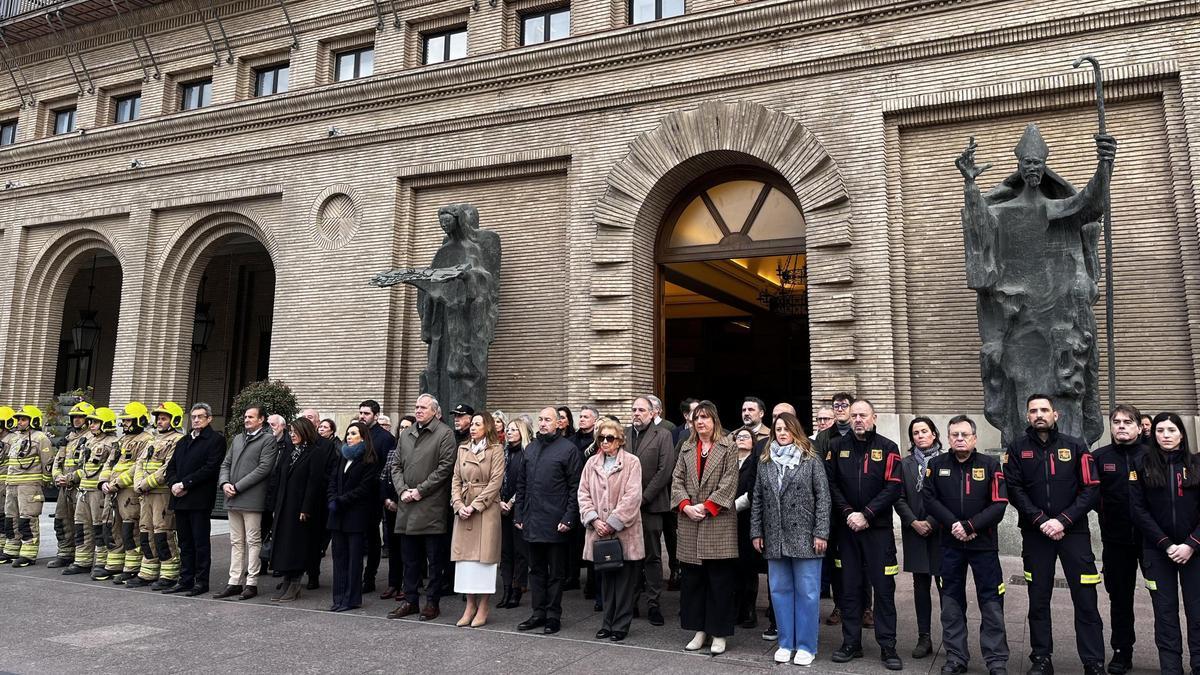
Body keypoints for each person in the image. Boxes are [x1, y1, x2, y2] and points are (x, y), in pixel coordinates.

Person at [1003, 394, 1104, 675]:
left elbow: (1091, 487)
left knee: (1086, 600)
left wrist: (1063, 520)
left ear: (1055, 414)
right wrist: (1040, 520)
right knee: (1038, 599)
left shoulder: (1075, 447)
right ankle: (1041, 659)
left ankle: (1093, 661)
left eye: (1044, 410)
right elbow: (1014, 489)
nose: (1039, 414)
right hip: (1036, 535)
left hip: (1074, 533)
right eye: (1033, 410)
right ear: (1027, 416)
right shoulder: (1016, 449)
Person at [921, 415, 1010, 675]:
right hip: (949, 544)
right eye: (954, 435)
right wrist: (955, 526)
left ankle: (996, 661)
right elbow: (929, 499)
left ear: (974, 438)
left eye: (964, 435)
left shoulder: (991, 465)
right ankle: (956, 658)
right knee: (950, 603)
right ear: (947, 438)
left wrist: (970, 526)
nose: (959, 439)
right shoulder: (936, 465)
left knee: (991, 603)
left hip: (983, 545)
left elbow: (999, 504)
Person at [826, 400, 903, 670]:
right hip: (847, 531)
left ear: (874, 417)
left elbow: (893, 487)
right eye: (854, 415)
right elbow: (831, 483)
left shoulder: (888, 447)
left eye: (863, 415)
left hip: (877, 531)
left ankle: (888, 646)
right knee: (849, 590)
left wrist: (867, 514)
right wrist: (849, 513)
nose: (858, 419)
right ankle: (851, 643)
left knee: (883, 590)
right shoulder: (836, 447)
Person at [751, 412, 830, 666]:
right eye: (778, 429)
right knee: (779, 591)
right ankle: (786, 642)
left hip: (806, 536)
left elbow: (823, 498)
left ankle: (806, 646)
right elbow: (758, 500)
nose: (782, 433)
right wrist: (756, 531)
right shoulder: (765, 461)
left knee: (807, 592)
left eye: (786, 429)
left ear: (796, 430)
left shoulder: (810, 459)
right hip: (775, 535)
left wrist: (821, 532)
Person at [1129, 412, 1200, 675]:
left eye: (1171, 430)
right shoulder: (1142, 464)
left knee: (1198, 612)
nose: (1165, 435)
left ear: (1182, 433)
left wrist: (1191, 544)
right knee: (1165, 614)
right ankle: (1171, 669)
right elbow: (1138, 510)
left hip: (1195, 551)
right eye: (1160, 431)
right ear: (1153, 434)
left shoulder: (1196, 464)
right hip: (1158, 552)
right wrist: (1167, 544)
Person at [670, 400, 739, 655]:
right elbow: (676, 479)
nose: (700, 422)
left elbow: (730, 481)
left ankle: (719, 633)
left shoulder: (728, 446)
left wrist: (708, 507)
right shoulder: (687, 447)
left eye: (705, 418)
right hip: (689, 522)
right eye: (697, 418)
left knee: (719, 582)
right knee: (693, 582)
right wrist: (686, 506)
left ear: (715, 421)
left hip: (717, 522)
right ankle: (699, 630)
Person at [386, 393, 456, 621]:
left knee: (434, 561)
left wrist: (420, 490)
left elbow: (445, 467)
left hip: (430, 507)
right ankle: (411, 601)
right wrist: (402, 490)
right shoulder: (406, 434)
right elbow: (395, 465)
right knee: (410, 560)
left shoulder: (444, 434)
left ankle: (432, 603)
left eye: (423, 407)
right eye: (416, 407)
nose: (418, 410)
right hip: (407, 506)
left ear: (435, 411)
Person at [514, 407, 582, 635]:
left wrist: (569, 518)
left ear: (558, 423)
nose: (542, 423)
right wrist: (519, 515)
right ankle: (538, 613)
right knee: (536, 571)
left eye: (547, 420)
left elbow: (576, 488)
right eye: (540, 420)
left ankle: (553, 616)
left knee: (556, 574)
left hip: (556, 522)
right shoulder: (531, 449)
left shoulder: (568, 450)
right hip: (532, 521)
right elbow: (521, 485)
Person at [1091, 404, 1147, 674]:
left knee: (1165, 600)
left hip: (1152, 543)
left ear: (1139, 426)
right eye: (1116, 421)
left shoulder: (1153, 456)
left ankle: (1172, 654)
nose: (1122, 426)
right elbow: (1089, 494)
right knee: (1120, 599)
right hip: (1115, 542)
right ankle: (1122, 652)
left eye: (1128, 421)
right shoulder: (1099, 457)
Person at [579, 418, 644, 642]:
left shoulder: (632, 463)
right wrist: (594, 520)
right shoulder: (591, 464)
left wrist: (613, 522)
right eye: (601, 438)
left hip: (624, 532)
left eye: (609, 438)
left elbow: (632, 497)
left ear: (619, 440)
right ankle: (606, 623)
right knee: (606, 582)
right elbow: (583, 494)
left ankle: (621, 625)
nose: (605, 442)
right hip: (598, 532)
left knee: (624, 582)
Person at [815, 391, 872, 628]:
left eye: (844, 405)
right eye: (835, 406)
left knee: (865, 561)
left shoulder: (865, 434)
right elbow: (820, 474)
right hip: (835, 511)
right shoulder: (824, 437)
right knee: (838, 562)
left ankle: (866, 608)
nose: (839, 409)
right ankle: (840, 605)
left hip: (862, 509)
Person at [215, 405, 279, 601]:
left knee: (253, 541)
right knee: (236, 542)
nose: (246, 420)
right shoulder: (238, 438)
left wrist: (238, 486)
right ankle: (234, 581)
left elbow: (264, 468)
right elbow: (226, 463)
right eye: (245, 417)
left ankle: (251, 582)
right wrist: (225, 483)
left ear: (262, 420)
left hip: (251, 499)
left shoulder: (268, 440)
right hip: (233, 498)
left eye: (251, 417)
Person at [164, 403, 226, 596]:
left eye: (200, 416)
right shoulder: (183, 441)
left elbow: (210, 468)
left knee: (200, 542)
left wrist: (185, 484)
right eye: (193, 417)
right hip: (180, 499)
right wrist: (174, 484)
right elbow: (171, 467)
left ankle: (201, 582)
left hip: (198, 499)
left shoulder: (216, 440)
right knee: (184, 542)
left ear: (209, 419)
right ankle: (185, 579)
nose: (196, 420)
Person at [450, 413, 506, 627]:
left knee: (484, 559)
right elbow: (455, 478)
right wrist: (458, 505)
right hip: (464, 507)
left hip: (485, 510)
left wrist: (475, 505)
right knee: (465, 561)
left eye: (477, 424)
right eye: (471, 424)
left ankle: (483, 605)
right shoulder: (462, 449)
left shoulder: (496, 450)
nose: (472, 427)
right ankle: (469, 604)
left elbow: (495, 482)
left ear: (487, 427)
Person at [895, 416, 944, 659]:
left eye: (925, 431)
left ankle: (953, 635)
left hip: (941, 532)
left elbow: (948, 498)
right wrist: (914, 522)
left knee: (946, 587)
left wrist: (932, 522)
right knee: (920, 586)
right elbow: (898, 497)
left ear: (934, 434)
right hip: (914, 531)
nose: (920, 436)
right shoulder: (904, 465)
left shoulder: (946, 462)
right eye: (916, 433)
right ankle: (924, 637)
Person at [627, 396, 676, 627]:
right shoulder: (624, 434)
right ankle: (631, 601)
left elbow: (664, 471)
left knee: (652, 557)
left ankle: (653, 603)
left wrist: (642, 498)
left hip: (652, 506)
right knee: (630, 557)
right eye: (634, 409)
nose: (637, 413)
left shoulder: (663, 435)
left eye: (641, 410)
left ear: (652, 413)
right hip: (625, 509)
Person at [269, 418, 326, 602]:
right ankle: (286, 581)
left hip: (300, 508)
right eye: (290, 431)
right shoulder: (290, 451)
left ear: (305, 432)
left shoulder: (315, 453)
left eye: (295, 431)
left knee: (296, 546)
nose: (292, 435)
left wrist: (306, 507)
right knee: (284, 545)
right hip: (284, 506)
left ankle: (295, 583)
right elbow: (280, 476)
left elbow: (313, 482)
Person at [130, 402, 185, 590]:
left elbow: (167, 468)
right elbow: (139, 463)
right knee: (146, 532)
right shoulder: (153, 439)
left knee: (163, 532)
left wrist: (145, 484)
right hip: (145, 494)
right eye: (158, 418)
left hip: (161, 494)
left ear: (174, 420)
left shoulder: (178, 440)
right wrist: (138, 484)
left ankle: (169, 573)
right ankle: (148, 571)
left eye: (164, 418)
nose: (159, 422)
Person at [327, 421, 380, 612]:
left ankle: (351, 599)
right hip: (337, 516)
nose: (349, 437)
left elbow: (364, 489)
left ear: (363, 437)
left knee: (354, 560)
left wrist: (341, 501)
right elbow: (333, 480)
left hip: (355, 516)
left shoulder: (369, 460)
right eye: (348, 433)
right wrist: (332, 498)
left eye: (354, 433)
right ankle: (338, 598)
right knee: (339, 558)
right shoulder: (342, 457)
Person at [105, 402, 152, 585]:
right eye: (123, 420)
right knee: (112, 527)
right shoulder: (122, 440)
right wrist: (104, 481)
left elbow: (136, 468)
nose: (124, 423)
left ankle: (132, 568)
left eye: (128, 420)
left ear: (139, 420)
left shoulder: (146, 440)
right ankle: (118, 563)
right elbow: (110, 463)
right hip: (114, 490)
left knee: (130, 529)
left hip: (129, 491)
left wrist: (116, 483)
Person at [74, 407, 120, 578]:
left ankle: (101, 562)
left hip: (98, 492)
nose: (91, 425)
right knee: (81, 526)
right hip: (84, 490)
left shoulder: (113, 442)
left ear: (105, 423)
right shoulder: (88, 441)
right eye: (91, 422)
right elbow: (83, 467)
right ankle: (82, 561)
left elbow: (111, 467)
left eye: (95, 422)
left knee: (100, 527)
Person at [48, 401, 93, 569]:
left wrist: (70, 478)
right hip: (64, 488)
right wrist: (57, 476)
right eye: (74, 417)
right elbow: (57, 461)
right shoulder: (68, 438)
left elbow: (90, 467)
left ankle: (82, 559)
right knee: (61, 521)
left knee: (81, 524)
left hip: (80, 488)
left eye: (81, 417)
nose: (77, 420)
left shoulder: (91, 438)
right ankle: (65, 554)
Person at [358, 399, 396, 596]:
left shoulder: (385, 438)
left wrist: (383, 495)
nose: (362, 417)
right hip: (356, 495)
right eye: (361, 413)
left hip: (373, 494)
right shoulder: (356, 434)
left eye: (366, 413)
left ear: (375, 415)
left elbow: (387, 469)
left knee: (372, 538)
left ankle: (369, 577)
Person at [731, 427, 764, 629]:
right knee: (732, 568)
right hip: (727, 522)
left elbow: (753, 492)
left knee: (748, 567)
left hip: (746, 520)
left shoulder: (755, 462)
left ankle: (749, 611)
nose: (741, 439)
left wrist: (731, 507)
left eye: (746, 437)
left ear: (753, 442)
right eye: (738, 437)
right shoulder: (729, 462)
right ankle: (735, 610)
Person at [498, 418, 531, 609]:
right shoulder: (503, 453)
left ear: (522, 432)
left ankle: (517, 589)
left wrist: (511, 502)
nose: (509, 432)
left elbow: (526, 482)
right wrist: (500, 501)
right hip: (501, 508)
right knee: (505, 551)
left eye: (513, 430)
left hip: (520, 508)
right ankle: (506, 589)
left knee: (519, 551)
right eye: (508, 429)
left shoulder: (527, 454)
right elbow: (496, 479)